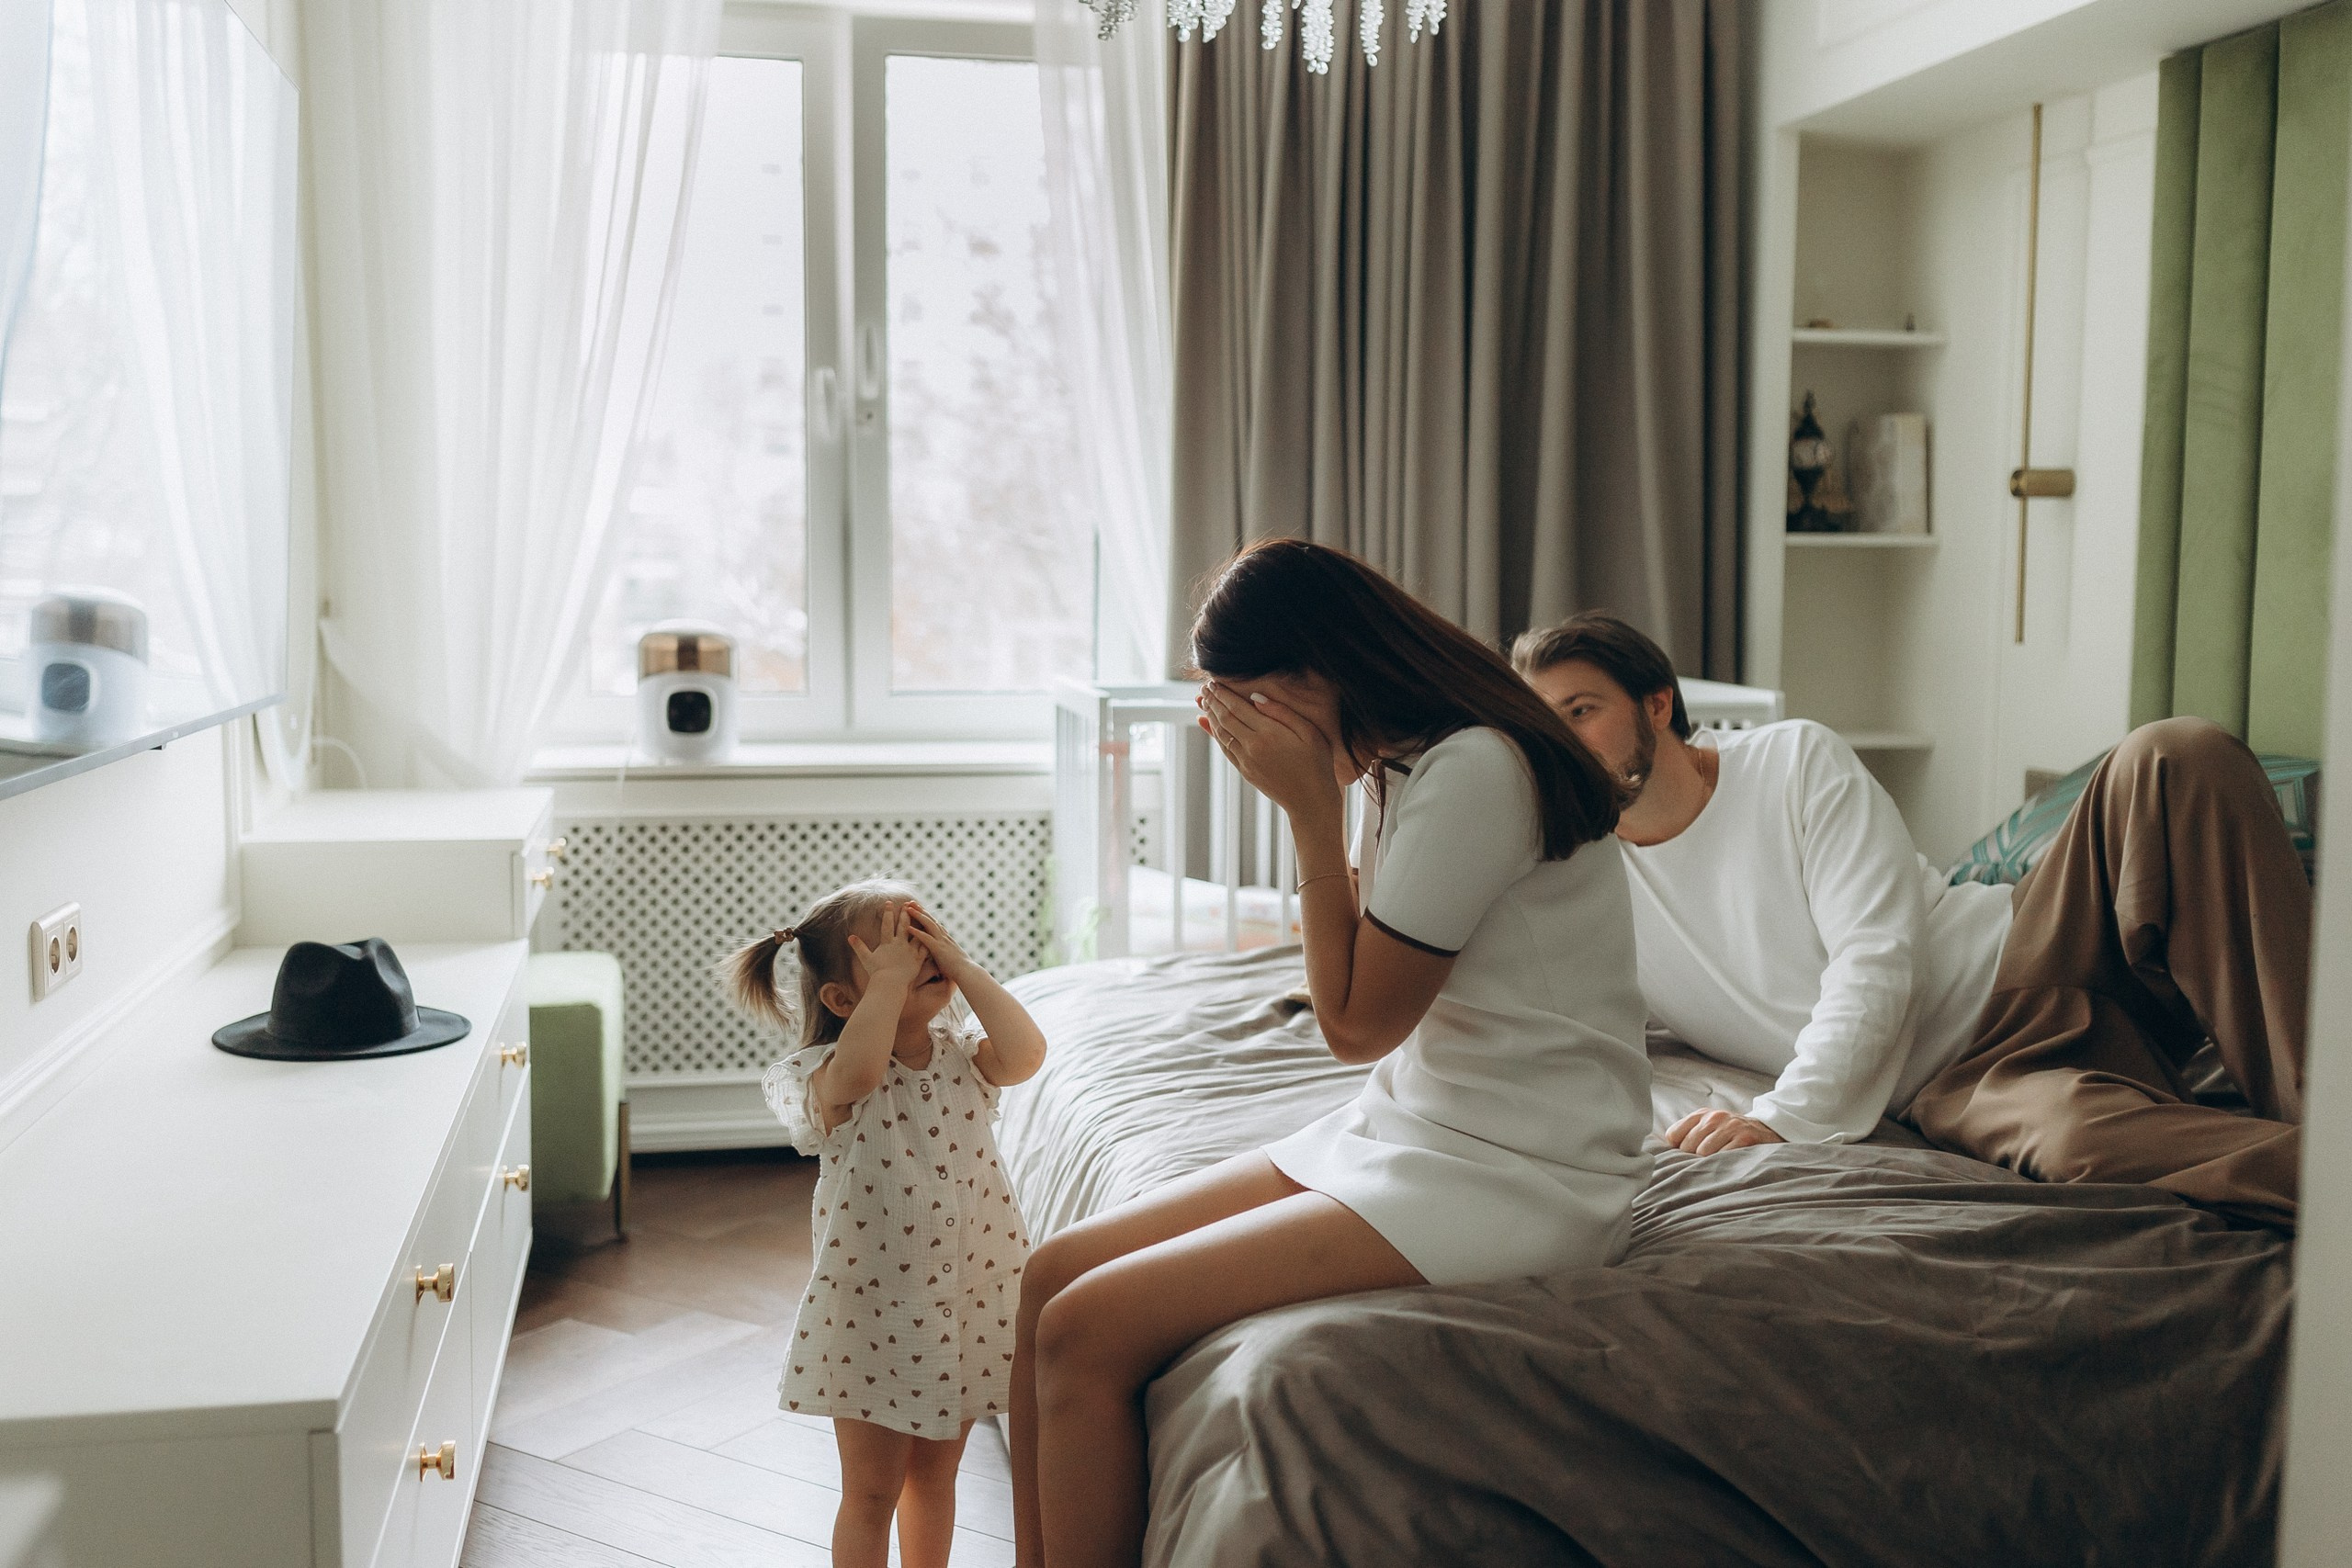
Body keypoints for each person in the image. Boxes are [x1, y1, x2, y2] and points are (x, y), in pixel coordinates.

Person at [1011, 539, 1650, 1568]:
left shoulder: (1477, 769)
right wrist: (1325, 798)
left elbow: (1354, 1025)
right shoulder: (1404, 761)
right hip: (1419, 1124)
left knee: (1087, 1329)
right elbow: (1363, 989)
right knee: (1050, 1279)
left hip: (1523, 1171)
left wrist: (1307, 808)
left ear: (1319, 672)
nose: (1241, 737)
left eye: (1251, 707)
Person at [1514, 611, 2309, 1233]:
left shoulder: (1793, 762)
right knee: (2075, 1146)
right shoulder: (1584, 880)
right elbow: (1555, 1021)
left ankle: (2319, 1097)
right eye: (1546, 724)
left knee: (2174, 755)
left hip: (2034, 945)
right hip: (1962, 1079)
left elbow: (1878, 959)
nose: (1565, 741)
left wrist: (1783, 1120)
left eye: (1580, 710)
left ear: (1657, 704)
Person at [724, 881, 1047, 1568]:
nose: (917, 953)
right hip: (872, 1319)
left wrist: (959, 964)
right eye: (893, 946)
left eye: (923, 932)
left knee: (936, 1479)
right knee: (872, 1491)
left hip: (960, 1301)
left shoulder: (963, 1054)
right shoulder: (828, 1076)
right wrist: (893, 985)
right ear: (843, 999)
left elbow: (1028, 1052)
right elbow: (865, 1068)